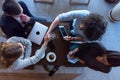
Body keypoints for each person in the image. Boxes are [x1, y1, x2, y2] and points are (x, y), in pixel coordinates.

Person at [45, 10, 107, 76]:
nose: (81, 27)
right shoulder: (83, 14)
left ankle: (56, 67)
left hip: (78, 37)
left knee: (64, 56)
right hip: (72, 26)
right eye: (83, 22)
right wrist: (48, 32)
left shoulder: (94, 36)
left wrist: (73, 38)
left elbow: (84, 40)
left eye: (84, 29)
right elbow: (59, 17)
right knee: (55, 25)